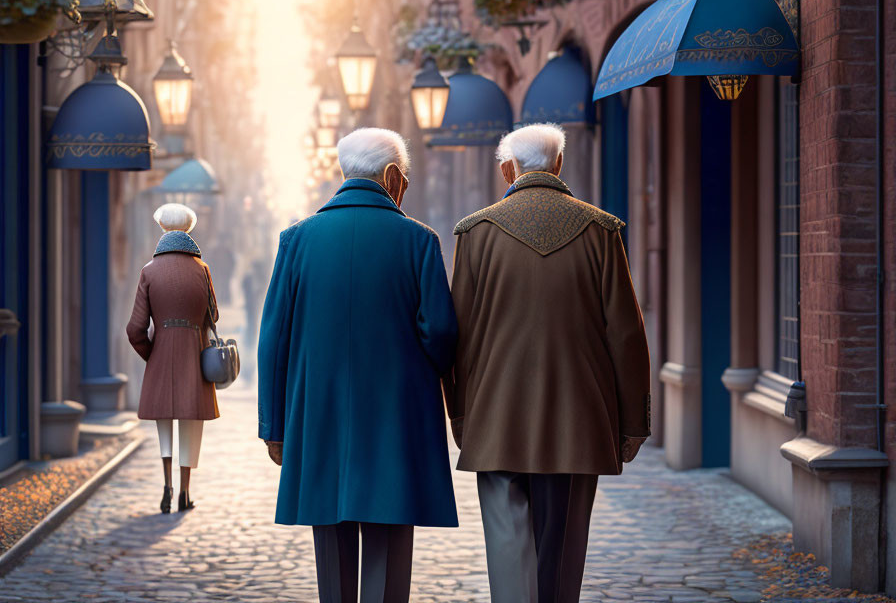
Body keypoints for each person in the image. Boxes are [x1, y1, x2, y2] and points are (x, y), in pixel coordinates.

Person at [444, 123, 651, 603]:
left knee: (507, 549)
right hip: (579, 421)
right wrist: (632, 423)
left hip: (495, 419)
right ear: (558, 164)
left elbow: (459, 337)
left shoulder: (476, 233)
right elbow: (626, 332)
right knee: (563, 552)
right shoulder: (600, 229)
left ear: (507, 170)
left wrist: (460, 415)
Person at [257, 128, 458, 603]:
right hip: (395, 417)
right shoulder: (419, 241)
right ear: (392, 176)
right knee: (389, 540)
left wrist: (274, 426)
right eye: (403, 178)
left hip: (319, 417)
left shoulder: (297, 240)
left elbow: (273, 339)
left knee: (331, 544)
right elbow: (443, 332)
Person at [126, 203, 220, 514]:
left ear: (162, 228)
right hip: (194, 352)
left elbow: (135, 328)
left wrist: (152, 355)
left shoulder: (149, 271)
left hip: (162, 352)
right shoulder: (202, 269)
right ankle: (185, 492)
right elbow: (214, 315)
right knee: (191, 424)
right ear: (189, 229)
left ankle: (165, 485)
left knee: (164, 423)